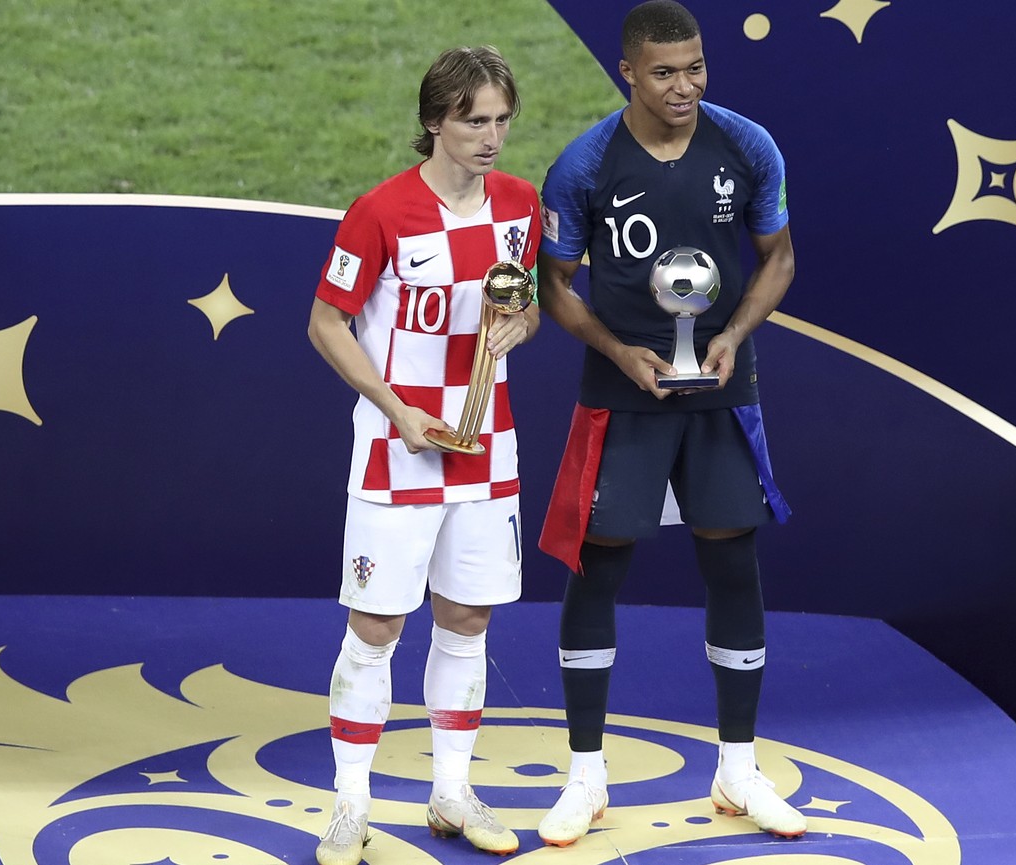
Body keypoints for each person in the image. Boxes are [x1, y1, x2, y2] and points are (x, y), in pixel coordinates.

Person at [533, 0, 802, 847]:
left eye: (694, 68)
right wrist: (619, 350)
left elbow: (779, 256)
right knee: (599, 563)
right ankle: (585, 774)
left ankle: (738, 766)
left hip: (723, 388)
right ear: (627, 73)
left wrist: (729, 335)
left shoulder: (748, 145)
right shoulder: (583, 167)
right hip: (622, 395)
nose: (683, 86)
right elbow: (557, 284)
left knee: (731, 555)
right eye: (663, 72)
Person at [305, 45, 541, 865]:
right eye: (474, 121)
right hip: (397, 450)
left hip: (488, 447)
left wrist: (522, 324)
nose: (491, 137)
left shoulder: (521, 205)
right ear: (434, 121)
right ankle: (350, 804)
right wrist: (396, 408)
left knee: (467, 620)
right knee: (375, 628)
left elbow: (522, 306)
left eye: (502, 120)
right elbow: (326, 322)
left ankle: (450, 789)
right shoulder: (379, 212)